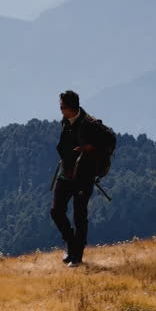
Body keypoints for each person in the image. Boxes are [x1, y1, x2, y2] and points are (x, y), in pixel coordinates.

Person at [50, 89, 112, 267]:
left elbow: (110, 140)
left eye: (62, 107)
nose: (60, 110)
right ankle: (71, 243)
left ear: (71, 107)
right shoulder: (67, 121)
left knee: (79, 214)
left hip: (84, 175)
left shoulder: (91, 123)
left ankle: (77, 256)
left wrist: (89, 148)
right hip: (66, 172)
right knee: (56, 211)